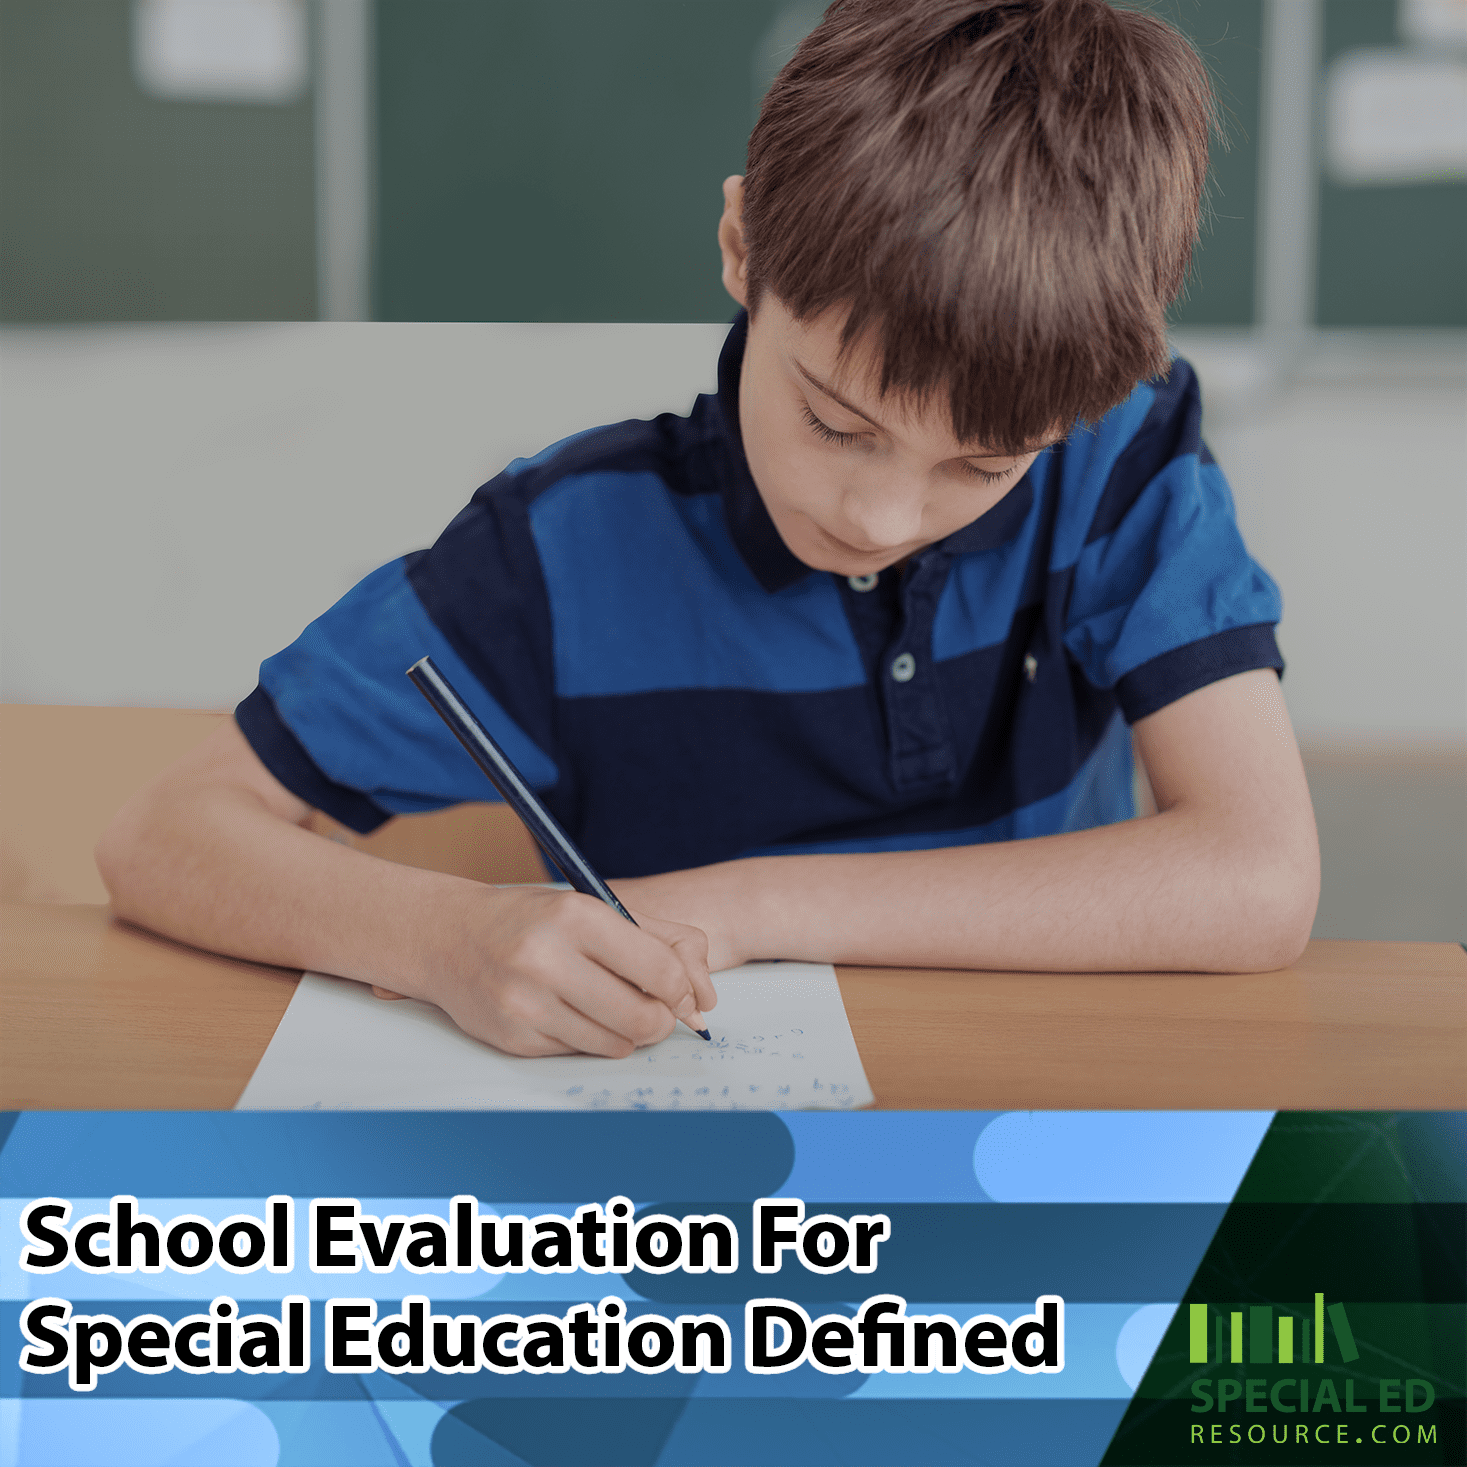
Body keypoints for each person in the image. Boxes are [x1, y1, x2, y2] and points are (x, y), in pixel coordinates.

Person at [97, 0, 1319, 1060]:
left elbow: (1260, 879)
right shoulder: (560, 552)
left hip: (1032, 1102)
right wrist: (445, 937)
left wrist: (746, 909)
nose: (882, 517)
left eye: (984, 466)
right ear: (743, 248)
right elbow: (161, 837)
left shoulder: (1115, 454)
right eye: (836, 422)